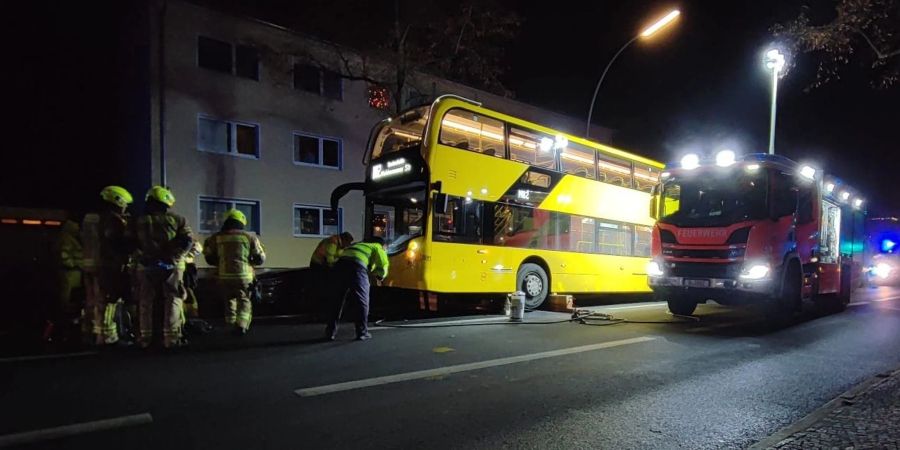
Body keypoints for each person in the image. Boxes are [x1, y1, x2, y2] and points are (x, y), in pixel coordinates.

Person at [133, 186, 193, 349]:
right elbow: (187, 241)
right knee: (173, 299)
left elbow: (129, 242)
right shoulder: (177, 219)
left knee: (145, 300)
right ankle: (171, 338)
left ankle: (145, 338)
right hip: (171, 266)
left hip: (145, 266)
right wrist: (173, 257)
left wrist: (143, 257)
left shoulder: (137, 220)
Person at [81, 186, 134, 346]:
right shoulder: (112, 219)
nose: (125, 207)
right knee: (108, 301)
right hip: (107, 265)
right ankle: (107, 337)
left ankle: (89, 333)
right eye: (124, 204)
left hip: (87, 264)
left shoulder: (89, 218)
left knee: (91, 301)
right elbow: (118, 242)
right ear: (117, 201)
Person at [203, 209, 265, 336]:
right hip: (244, 277)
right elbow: (260, 258)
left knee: (229, 300)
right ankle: (241, 325)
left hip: (223, 276)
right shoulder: (249, 237)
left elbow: (209, 257)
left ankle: (230, 324)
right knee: (244, 300)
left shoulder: (216, 237)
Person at [325, 237, 389, 341]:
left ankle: (330, 332)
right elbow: (383, 264)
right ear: (382, 245)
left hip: (340, 266)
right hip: (357, 267)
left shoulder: (357, 245)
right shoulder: (377, 246)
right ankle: (362, 332)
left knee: (337, 300)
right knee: (362, 300)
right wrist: (380, 276)